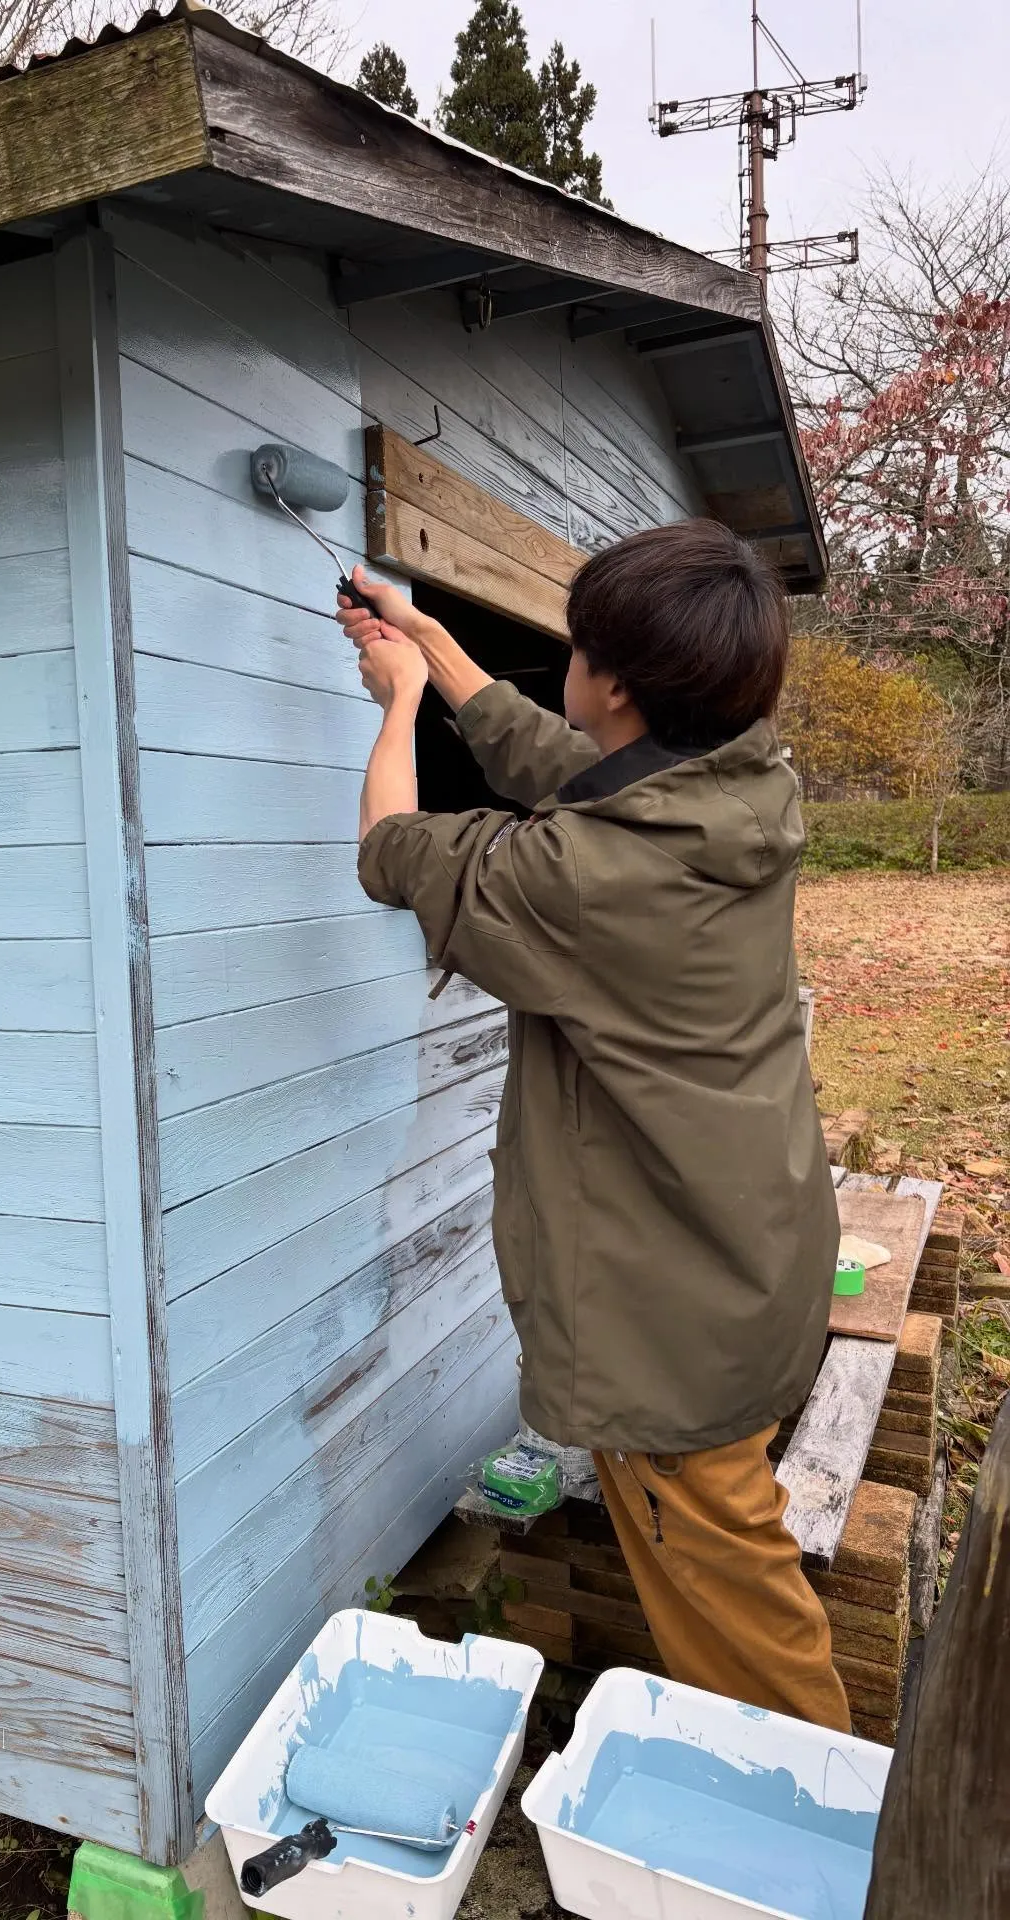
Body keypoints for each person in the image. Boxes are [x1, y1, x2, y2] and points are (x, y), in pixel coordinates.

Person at [338, 519, 849, 1732]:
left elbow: (391, 851)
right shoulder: (738, 789)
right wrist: (436, 646)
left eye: (573, 649)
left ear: (611, 682)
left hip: (675, 1316)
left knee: (739, 1616)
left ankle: (829, 1836)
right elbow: (578, 768)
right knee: (724, 1560)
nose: (561, 672)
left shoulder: (578, 880)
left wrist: (398, 705)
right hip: (748, 1250)